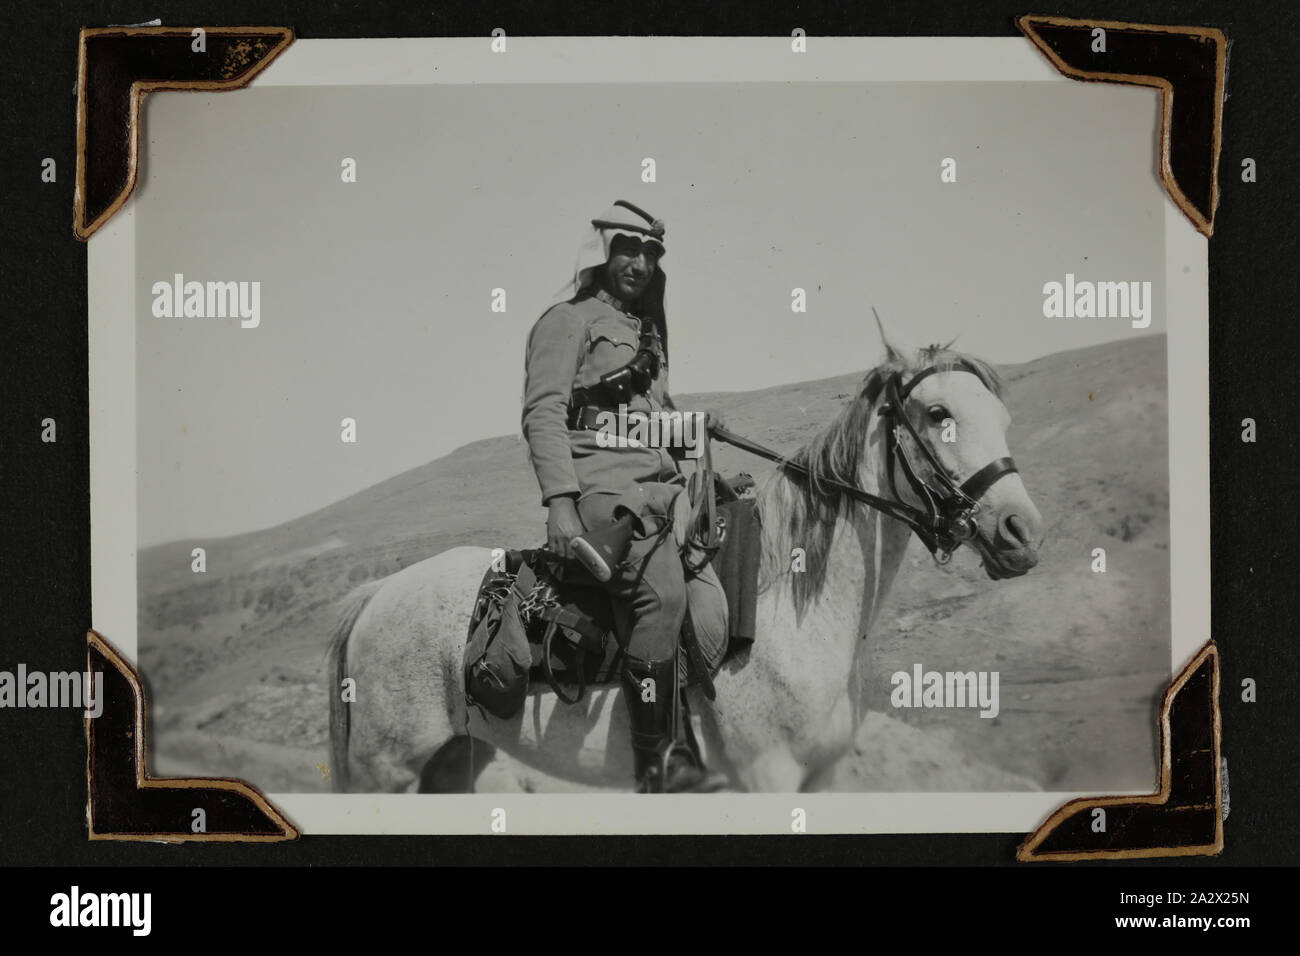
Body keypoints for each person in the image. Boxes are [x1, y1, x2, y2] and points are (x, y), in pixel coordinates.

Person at [521, 200, 727, 793]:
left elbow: (646, 422)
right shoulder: (567, 320)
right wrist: (560, 501)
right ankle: (660, 763)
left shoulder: (647, 336)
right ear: (603, 253)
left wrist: (694, 429)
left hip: (659, 485)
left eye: (652, 253)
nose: (640, 262)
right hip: (600, 487)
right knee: (659, 595)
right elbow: (545, 411)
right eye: (628, 249)